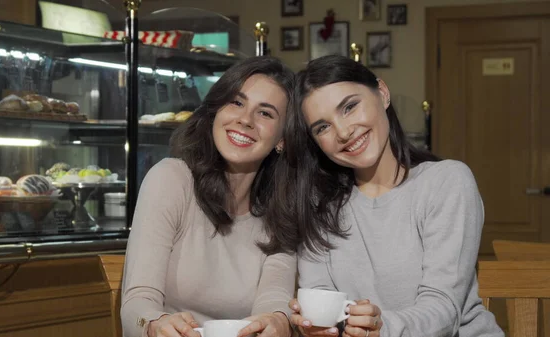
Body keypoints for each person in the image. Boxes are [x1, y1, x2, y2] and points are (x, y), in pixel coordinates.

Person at [285, 55, 504, 337]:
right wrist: (315, 326)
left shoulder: (446, 182)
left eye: (350, 107)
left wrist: (382, 328)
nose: (343, 132)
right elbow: (322, 298)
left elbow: (444, 310)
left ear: (383, 93)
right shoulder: (318, 207)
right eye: (323, 127)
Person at [121, 56, 298, 337]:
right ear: (216, 110)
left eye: (265, 113)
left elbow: (274, 299)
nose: (245, 120)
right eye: (236, 102)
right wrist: (154, 323)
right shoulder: (170, 180)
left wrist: (279, 320)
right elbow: (136, 303)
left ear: (282, 139)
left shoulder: (282, 207)